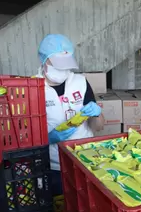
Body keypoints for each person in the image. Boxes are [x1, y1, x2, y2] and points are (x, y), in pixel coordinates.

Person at [38, 34, 105, 195]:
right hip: (53, 166)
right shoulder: (32, 88)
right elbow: (22, 138)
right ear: (44, 61)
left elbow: (99, 126)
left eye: (66, 64)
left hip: (84, 161)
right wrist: (47, 139)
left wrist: (96, 114)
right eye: (58, 64)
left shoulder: (80, 82)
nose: (63, 70)